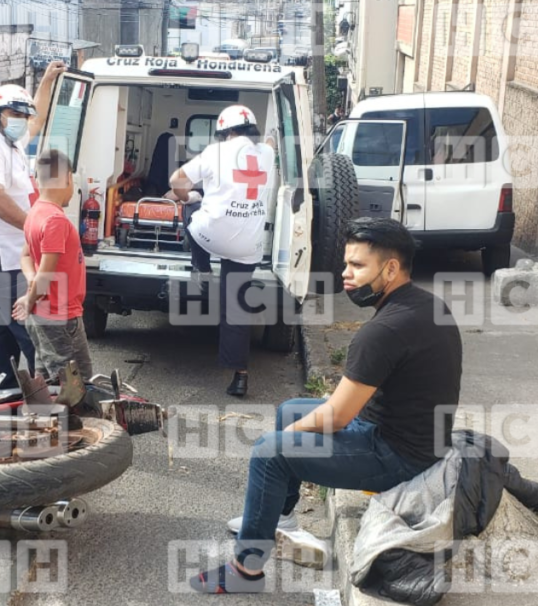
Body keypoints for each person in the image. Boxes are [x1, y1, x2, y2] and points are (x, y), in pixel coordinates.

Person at [190, 217, 464, 593]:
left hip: (401, 457)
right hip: (408, 435)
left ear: (391, 268)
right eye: (346, 263)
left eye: (357, 266)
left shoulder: (383, 332)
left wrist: (291, 437)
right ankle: (282, 520)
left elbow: (338, 414)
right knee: (291, 409)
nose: (345, 274)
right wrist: (299, 426)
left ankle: (245, 571)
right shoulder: (425, 305)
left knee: (271, 452)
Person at [0, 62, 67, 388]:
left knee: (1, 326)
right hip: (1, 255)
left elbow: (38, 120)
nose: (22, 122)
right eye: (15, 115)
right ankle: (51, 394)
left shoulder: (11, 142)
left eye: (23, 116)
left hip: (12, 252)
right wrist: (34, 228)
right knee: (30, 327)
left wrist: (48, 80)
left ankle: (2, 393)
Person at [168, 104, 275, 397]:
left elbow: (176, 181)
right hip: (247, 245)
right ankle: (240, 376)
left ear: (224, 132)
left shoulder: (214, 152)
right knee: (237, 308)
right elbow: (269, 143)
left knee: (192, 207)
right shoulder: (267, 154)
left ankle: (201, 269)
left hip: (209, 237)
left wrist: (188, 195)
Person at [12, 149, 93, 381]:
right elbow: (46, 276)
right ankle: (68, 418)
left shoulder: (34, 213)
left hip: (43, 313)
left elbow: (26, 257)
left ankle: (42, 416)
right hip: (60, 315)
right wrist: (30, 297)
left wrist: (32, 287)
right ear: (67, 178)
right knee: (77, 384)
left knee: (45, 380)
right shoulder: (56, 221)